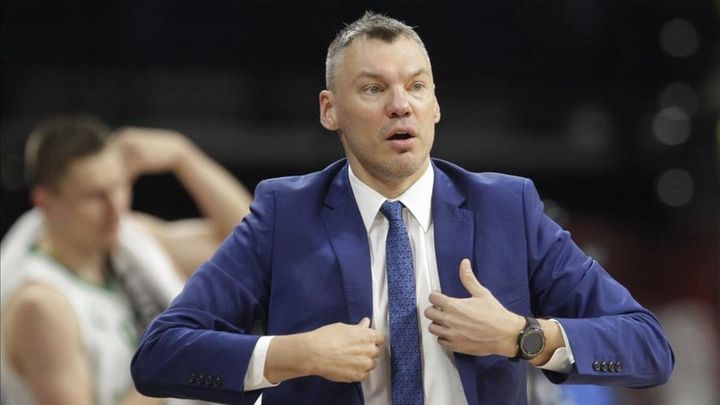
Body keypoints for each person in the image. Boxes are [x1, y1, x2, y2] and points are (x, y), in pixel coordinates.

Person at [131, 12, 674, 405]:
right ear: (330, 110)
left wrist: (522, 336)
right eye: (373, 89)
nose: (400, 105)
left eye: (416, 86)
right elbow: (161, 354)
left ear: (435, 104)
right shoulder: (284, 214)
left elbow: (648, 346)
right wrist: (294, 355)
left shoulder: (507, 208)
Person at [0, 115, 253, 405]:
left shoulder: (131, 239)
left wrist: (183, 155)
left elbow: (251, 247)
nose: (116, 207)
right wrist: (177, 363)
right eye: (95, 196)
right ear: (45, 202)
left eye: (119, 186)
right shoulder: (42, 306)